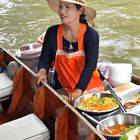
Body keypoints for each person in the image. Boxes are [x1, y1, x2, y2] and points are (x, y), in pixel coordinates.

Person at [37, 0, 106, 103]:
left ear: (80, 10)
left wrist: (78, 90)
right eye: (60, 6)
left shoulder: (91, 35)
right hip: (64, 88)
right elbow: (44, 60)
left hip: (90, 88)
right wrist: (42, 71)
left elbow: (90, 65)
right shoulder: (52, 32)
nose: (62, 11)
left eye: (67, 7)